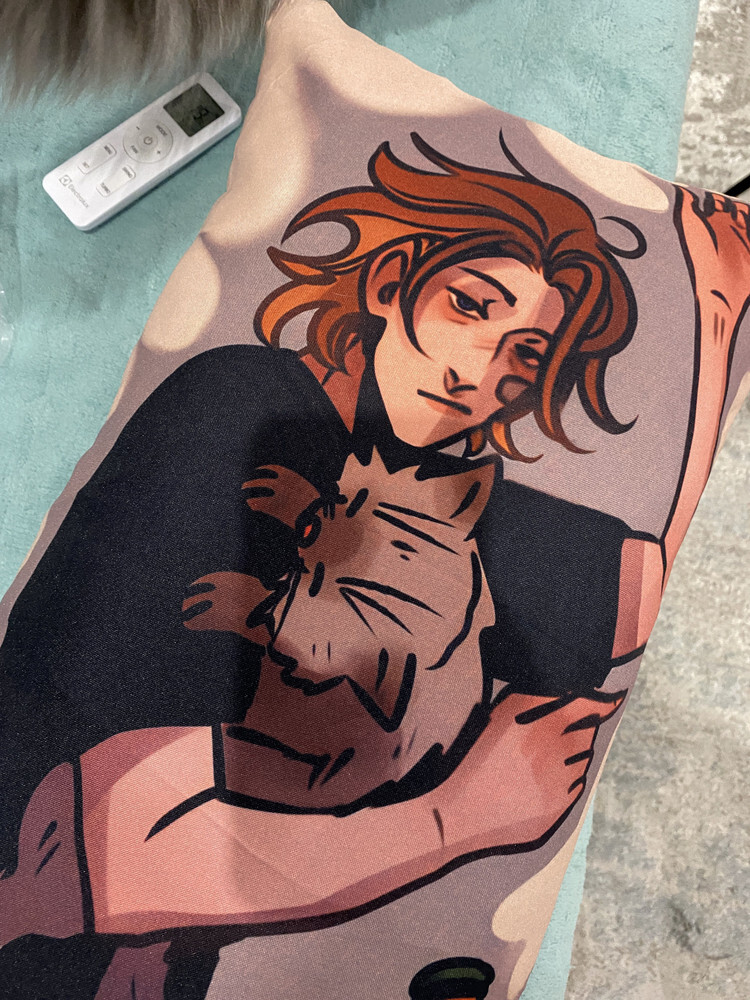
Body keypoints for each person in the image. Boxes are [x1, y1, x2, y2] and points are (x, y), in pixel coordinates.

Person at [1, 134, 746, 998]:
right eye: (468, 307)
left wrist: (717, 323)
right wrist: (458, 816)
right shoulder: (254, 409)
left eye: (526, 356)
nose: (480, 373)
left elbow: (628, 589)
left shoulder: (413, 483)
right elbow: (108, 848)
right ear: (392, 285)